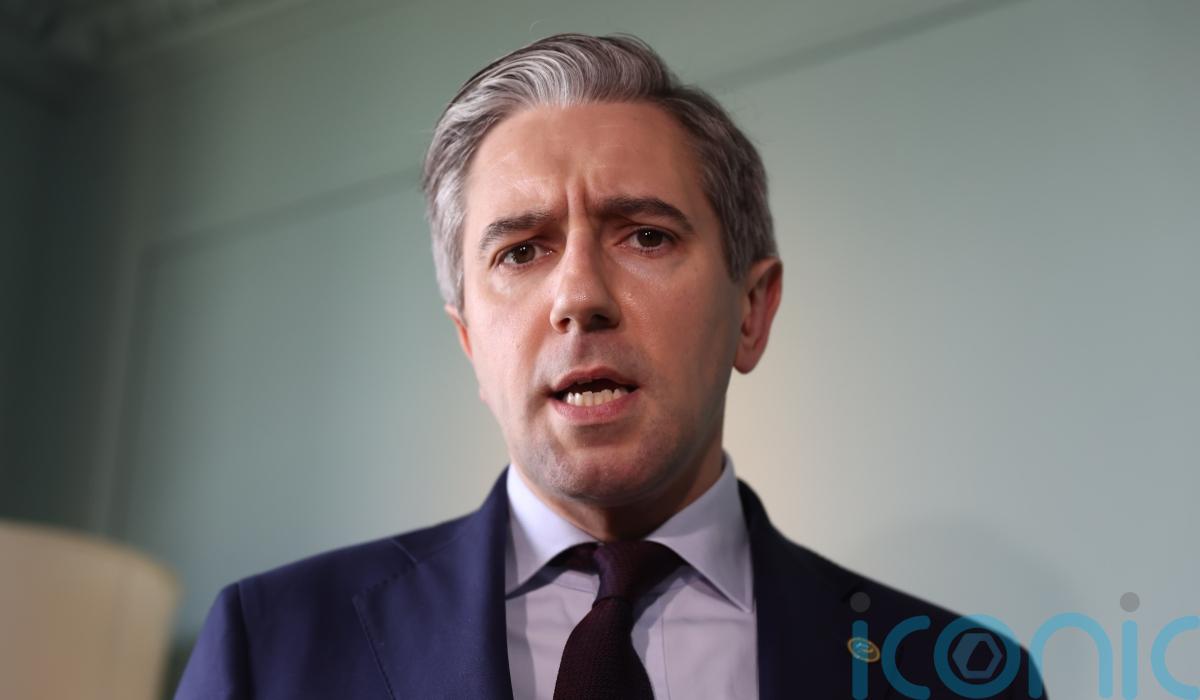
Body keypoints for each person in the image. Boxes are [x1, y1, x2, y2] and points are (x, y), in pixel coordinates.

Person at [176, 33, 1046, 699]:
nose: (579, 295)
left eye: (646, 236)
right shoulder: (271, 646)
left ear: (751, 310)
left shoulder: (964, 678)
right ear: (471, 343)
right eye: (521, 250)